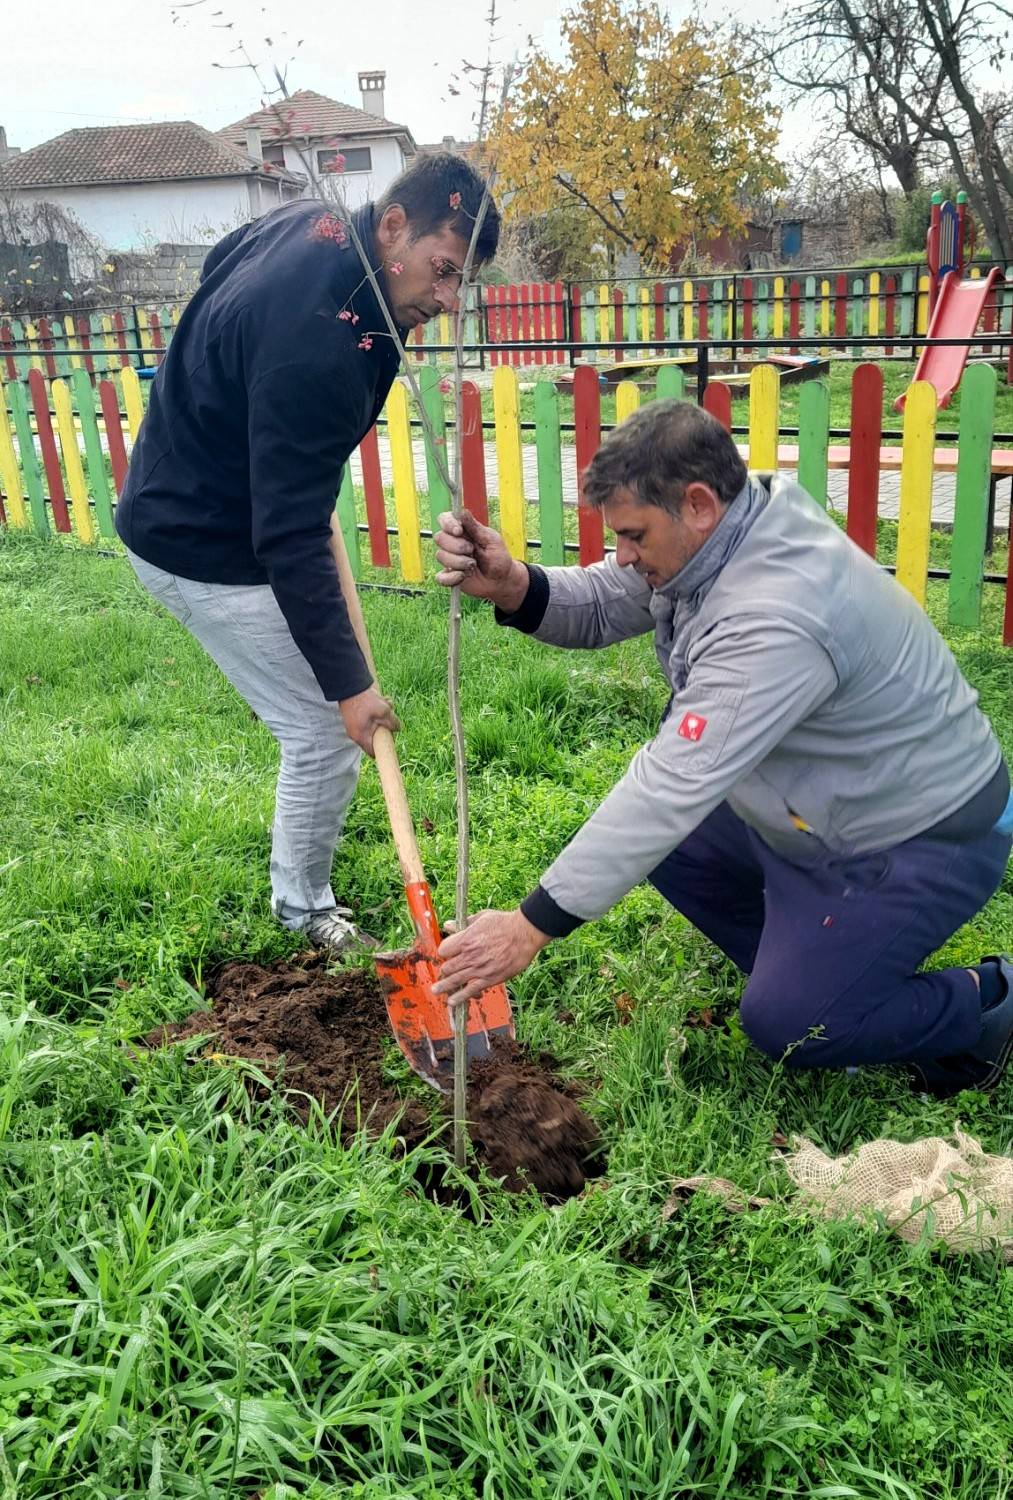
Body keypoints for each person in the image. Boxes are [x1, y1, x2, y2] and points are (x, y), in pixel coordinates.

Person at [433, 400, 1013, 1095]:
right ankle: (822, 965)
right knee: (672, 846)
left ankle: (983, 1006)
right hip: (820, 809)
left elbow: (669, 785)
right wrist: (512, 584)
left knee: (792, 1022)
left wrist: (527, 928)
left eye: (632, 535)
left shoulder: (775, 613)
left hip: (918, 836)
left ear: (698, 504)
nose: (621, 554)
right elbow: (605, 599)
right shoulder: (730, 528)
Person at [115, 154, 500, 953]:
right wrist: (352, 692)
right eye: (440, 271)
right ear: (393, 226)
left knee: (335, 684)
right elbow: (288, 538)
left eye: (460, 280)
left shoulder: (319, 224)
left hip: (211, 481)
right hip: (200, 540)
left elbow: (226, 263)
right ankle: (302, 911)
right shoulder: (317, 351)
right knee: (323, 731)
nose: (447, 299)